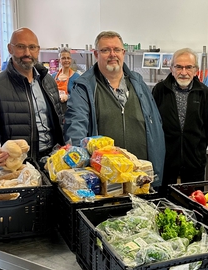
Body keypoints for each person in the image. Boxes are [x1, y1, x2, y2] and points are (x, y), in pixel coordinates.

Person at [64, 30, 165, 189]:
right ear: (96, 54)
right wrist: (82, 174)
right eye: (105, 50)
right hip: (105, 181)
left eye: (117, 50)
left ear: (123, 53)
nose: (112, 54)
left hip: (140, 175)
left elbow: (155, 125)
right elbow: (76, 126)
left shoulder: (137, 83)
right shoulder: (85, 87)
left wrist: (156, 170)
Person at [0, 27, 65, 166]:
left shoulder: (48, 81)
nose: (27, 53)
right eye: (21, 47)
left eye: (32, 47)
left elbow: (59, 121)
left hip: (53, 160)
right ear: (10, 49)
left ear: (38, 50)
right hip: (17, 165)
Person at [152, 48, 208, 190]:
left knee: (193, 204)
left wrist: (198, 153)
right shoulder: (160, 90)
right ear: (171, 69)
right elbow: (153, 126)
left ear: (196, 70)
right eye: (179, 67)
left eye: (189, 67)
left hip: (194, 162)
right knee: (165, 204)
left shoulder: (203, 92)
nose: (184, 72)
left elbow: (207, 128)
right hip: (166, 161)